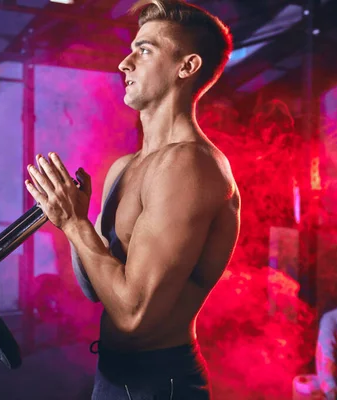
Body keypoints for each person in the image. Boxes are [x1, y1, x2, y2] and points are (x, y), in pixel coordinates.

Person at [24, 0, 239, 398]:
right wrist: (76, 222)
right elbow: (97, 289)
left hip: (160, 383)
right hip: (111, 373)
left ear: (186, 67)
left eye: (144, 50)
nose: (124, 64)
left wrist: (75, 224)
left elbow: (134, 314)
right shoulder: (126, 166)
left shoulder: (188, 166)